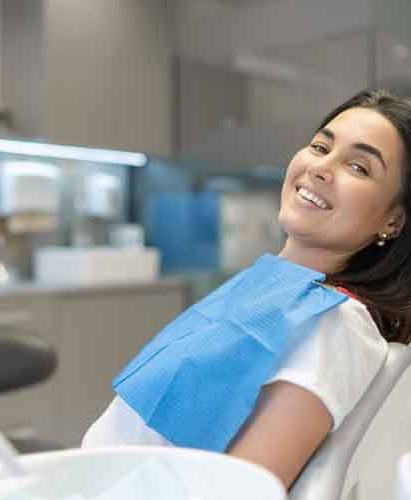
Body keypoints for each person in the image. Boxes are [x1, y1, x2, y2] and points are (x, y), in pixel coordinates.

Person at [81, 89, 411, 489]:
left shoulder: (337, 325)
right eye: (320, 146)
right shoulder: (272, 288)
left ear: (393, 220)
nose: (322, 168)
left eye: (359, 167)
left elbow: (241, 490)